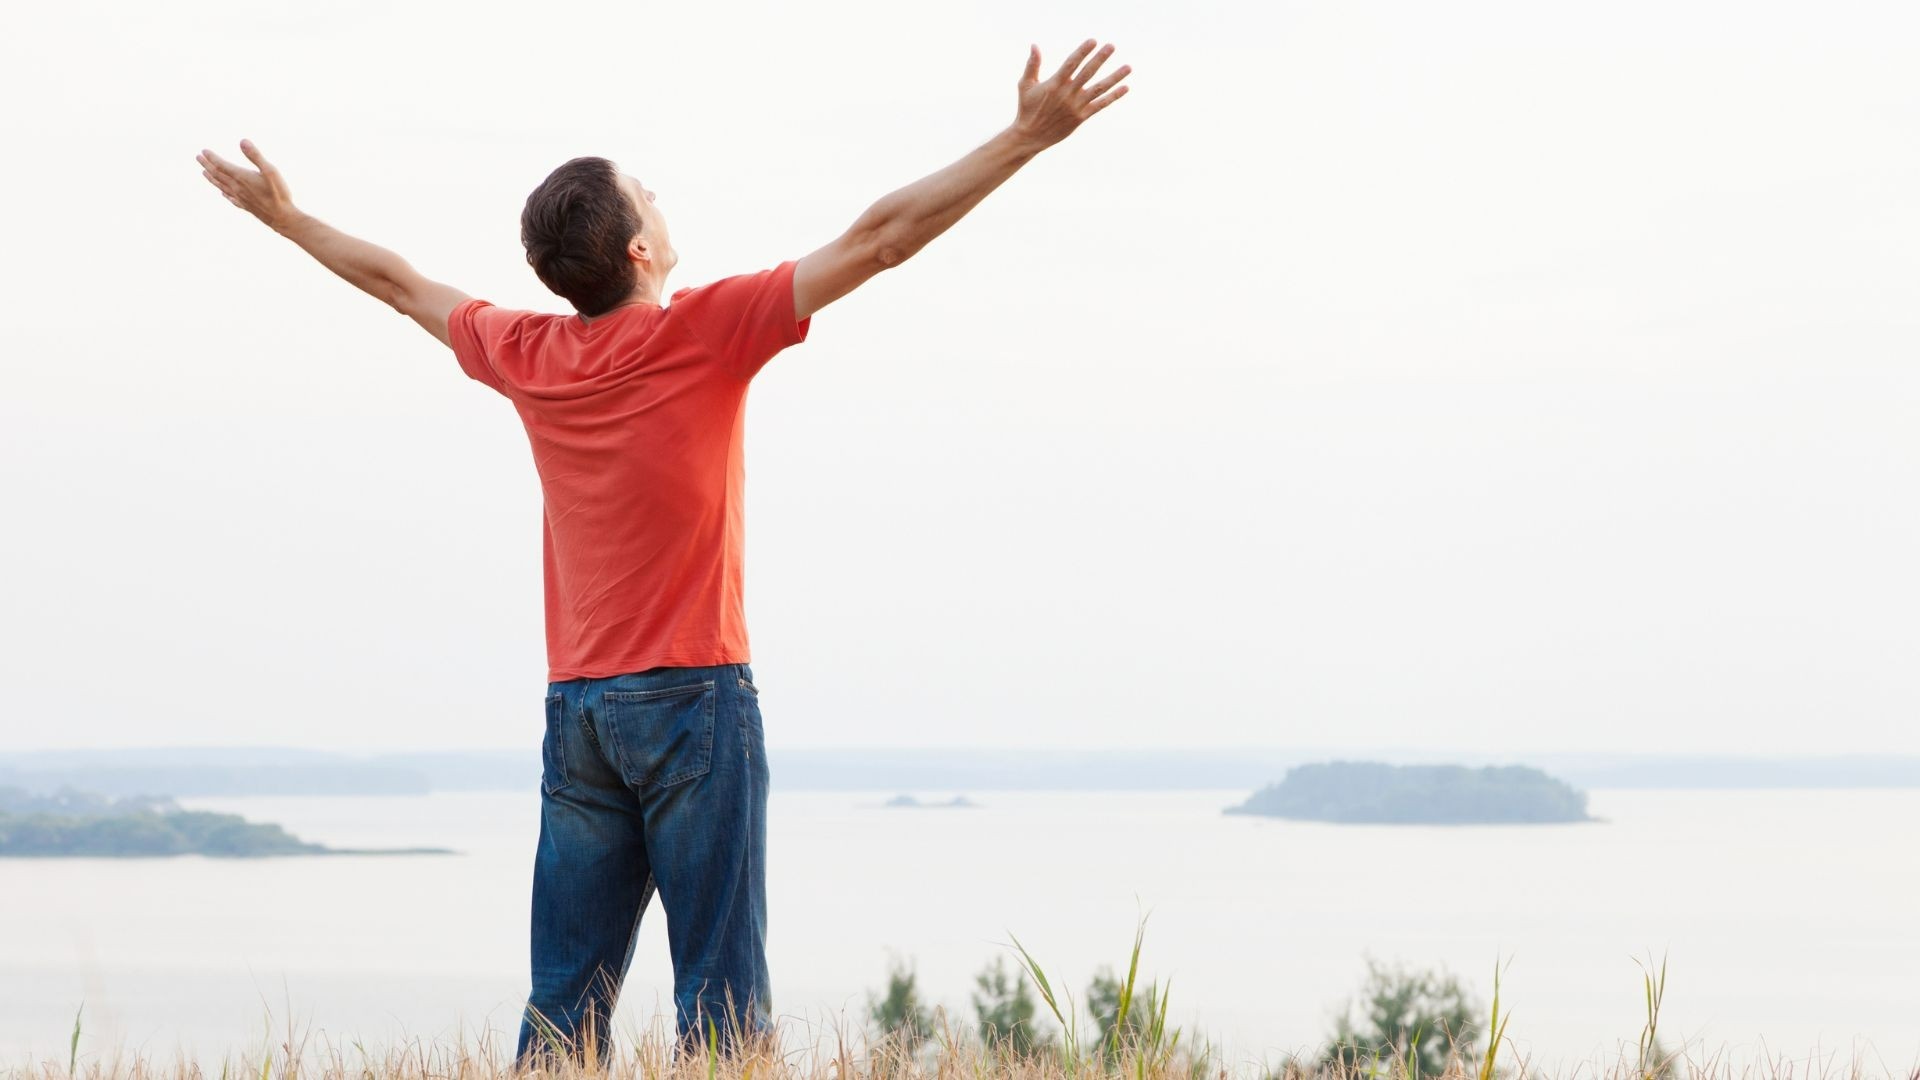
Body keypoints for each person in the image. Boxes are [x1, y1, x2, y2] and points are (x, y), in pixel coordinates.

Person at [195, 37, 1131, 1067]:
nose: (660, 197)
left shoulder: (525, 352)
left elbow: (396, 284)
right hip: (692, 699)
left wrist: (284, 218)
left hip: (581, 714)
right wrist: (1026, 139)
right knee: (723, 1005)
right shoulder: (706, 331)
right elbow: (881, 240)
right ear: (639, 250)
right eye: (647, 193)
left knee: (564, 1006)